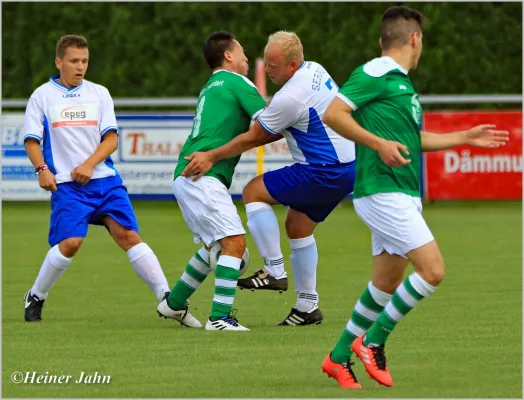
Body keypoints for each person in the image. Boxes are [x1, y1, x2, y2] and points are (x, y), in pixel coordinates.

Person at [320, 6, 510, 388]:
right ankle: (371, 342)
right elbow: (333, 113)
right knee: (433, 270)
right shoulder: (376, 71)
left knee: (386, 284)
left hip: (401, 193)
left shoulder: (400, 83)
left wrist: (464, 137)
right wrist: (377, 144)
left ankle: (337, 358)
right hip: (382, 190)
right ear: (415, 39)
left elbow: (409, 140)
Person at [180, 31, 356, 326]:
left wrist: (211, 155)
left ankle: (274, 271)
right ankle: (306, 308)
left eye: (273, 66)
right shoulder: (314, 68)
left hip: (323, 169)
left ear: (291, 65)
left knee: (253, 191)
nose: (267, 70)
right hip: (348, 167)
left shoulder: (290, 96)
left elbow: (255, 137)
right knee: (298, 227)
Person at [22, 35, 172, 322]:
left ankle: (166, 297)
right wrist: (42, 170)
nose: (81, 67)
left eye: (85, 61)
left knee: (129, 236)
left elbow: (111, 139)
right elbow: (31, 141)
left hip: (105, 180)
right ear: (59, 61)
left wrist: (90, 165)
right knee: (71, 243)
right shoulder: (42, 96)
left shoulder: (99, 93)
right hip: (68, 185)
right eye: (74, 61)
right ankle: (36, 295)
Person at [156, 31, 279, 331]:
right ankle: (220, 318)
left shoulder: (211, 86)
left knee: (217, 247)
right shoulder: (237, 82)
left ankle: (172, 305)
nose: (247, 58)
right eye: (242, 52)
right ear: (228, 56)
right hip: (202, 176)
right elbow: (270, 123)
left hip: (188, 176)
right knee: (235, 244)